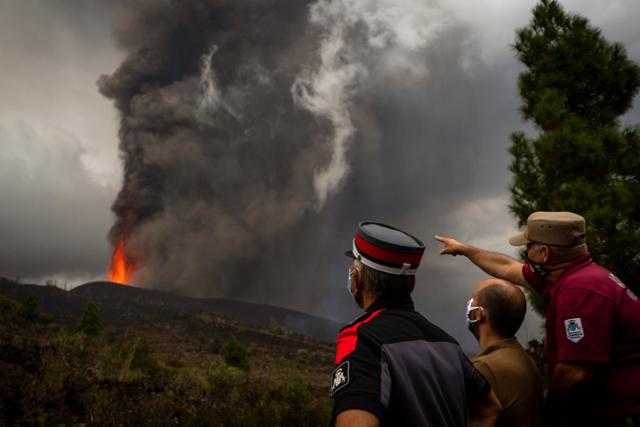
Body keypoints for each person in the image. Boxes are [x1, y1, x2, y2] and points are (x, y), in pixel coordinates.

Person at [436, 211, 640, 426]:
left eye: (529, 246)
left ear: (544, 253)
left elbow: (574, 373)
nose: (525, 252)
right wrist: (465, 250)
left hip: (623, 415)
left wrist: (547, 416)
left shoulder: (578, 293)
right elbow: (507, 268)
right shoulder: (571, 275)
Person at [332, 221, 501, 427]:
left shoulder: (362, 338)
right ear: (409, 284)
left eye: (352, 268)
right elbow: (489, 409)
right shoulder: (448, 344)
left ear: (356, 278)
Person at [466, 278, 543, 427]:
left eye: (473, 301)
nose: (469, 306)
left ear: (479, 314)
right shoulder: (522, 358)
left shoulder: (482, 369)